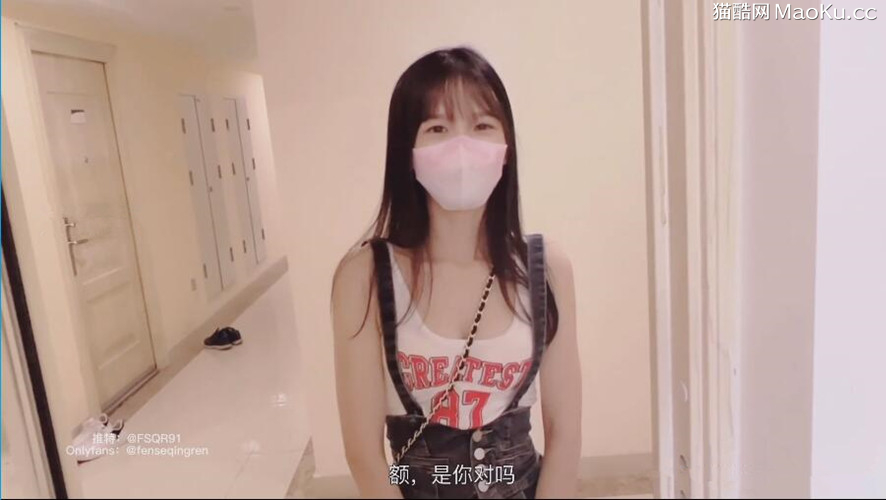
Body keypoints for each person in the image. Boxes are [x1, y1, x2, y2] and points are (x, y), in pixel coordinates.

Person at [332, 46, 581, 499]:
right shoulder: (364, 276)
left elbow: (564, 432)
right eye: (437, 128)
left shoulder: (547, 268)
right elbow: (363, 454)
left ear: (506, 149)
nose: (462, 146)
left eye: (482, 125)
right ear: (407, 153)